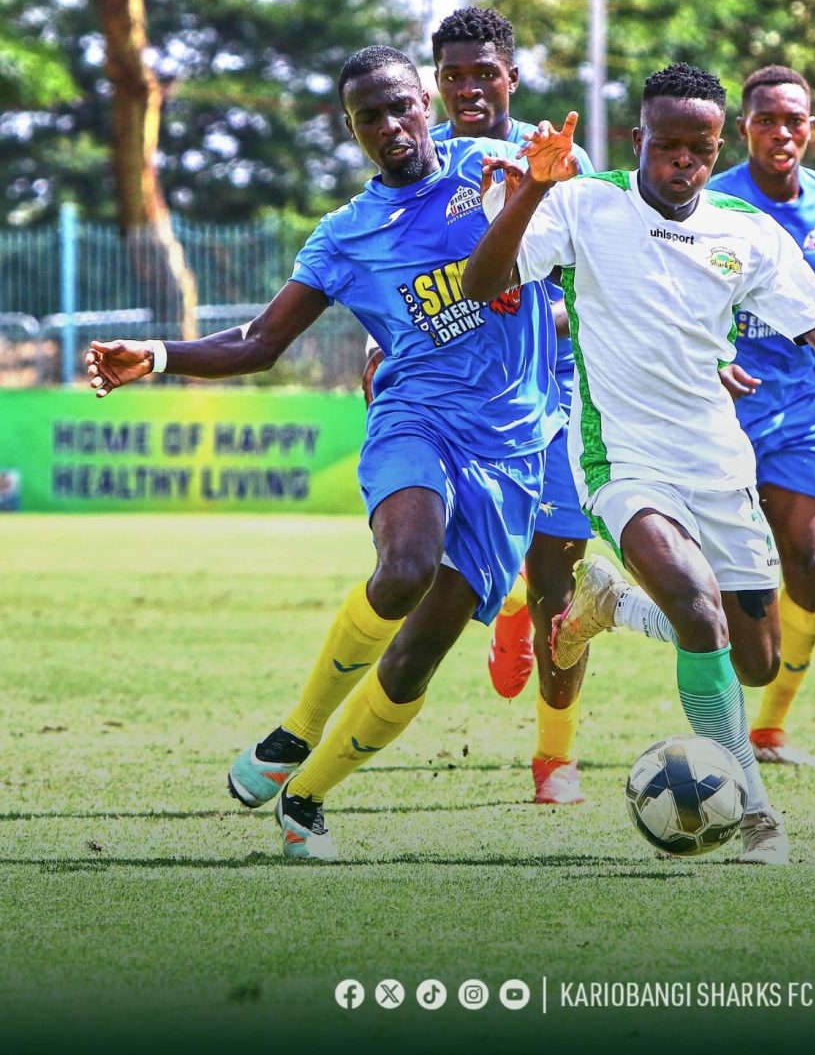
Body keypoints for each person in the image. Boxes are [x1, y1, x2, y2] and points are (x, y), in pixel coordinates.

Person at [461, 63, 815, 865]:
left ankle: (615, 607)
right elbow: (485, 283)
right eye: (667, 146)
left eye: (699, 147)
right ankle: (757, 813)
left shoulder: (750, 233)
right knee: (698, 611)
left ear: (717, 146)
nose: (682, 162)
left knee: (754, 657)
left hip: (719, 465)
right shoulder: (584, 205)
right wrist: (527, 193)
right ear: (637, 142)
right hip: (622, 458)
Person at [85, 47, 564, 859]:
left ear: (427, 103)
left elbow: (580, 260)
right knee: (405, 567)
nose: (389, 127)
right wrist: (160, 357)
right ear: (353, 132)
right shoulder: (346, 234)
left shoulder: (495, 171)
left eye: (400, 107)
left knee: (418, 656)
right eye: (367, 118)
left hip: (513, 447)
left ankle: (305, 797)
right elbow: (261, 341)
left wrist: (554, 183)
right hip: (415, 416)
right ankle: (294, 732)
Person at [362, 7, 596, 804]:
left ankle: (554, 758)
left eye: (483, 73)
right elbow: (400, 280)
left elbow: (592, 293)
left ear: (512, 78)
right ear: (435, 84)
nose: (468, 89)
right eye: (452, 75)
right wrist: (385, 341)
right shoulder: (433, 164)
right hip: (462, 403)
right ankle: (505, 603)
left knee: (562, 588)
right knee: (431, 568)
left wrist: (527, 302)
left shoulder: (558, 159)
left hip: (556, 391)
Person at [704, 64, 815, 769]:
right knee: (726, 580)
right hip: (721, 410)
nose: (782, 133)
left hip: (804, 408)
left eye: (795, 121)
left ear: (813, 130)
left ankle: (769, 729)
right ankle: (721, 716)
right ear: (744, 128)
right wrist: (713, 359)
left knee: (808, 561)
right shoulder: (712, 204)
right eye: (768, 120)